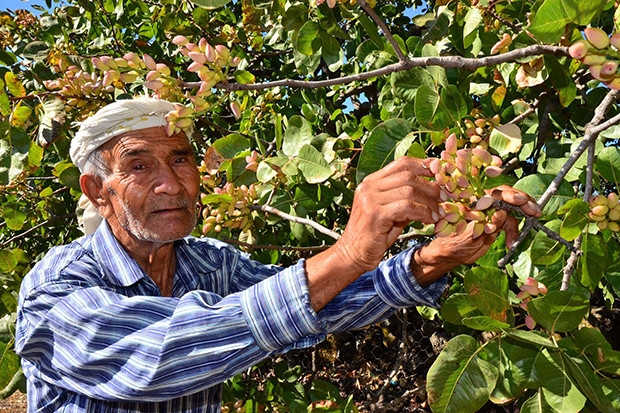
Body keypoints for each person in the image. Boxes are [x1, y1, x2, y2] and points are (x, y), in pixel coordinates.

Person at [15, 97, 541, 413]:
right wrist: (351, 250)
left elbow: (315, 306)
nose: (171, 184)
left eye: (180, 159)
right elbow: (158, 357)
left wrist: (437, 258)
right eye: (139, 166)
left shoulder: (208, 263)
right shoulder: (57, 286)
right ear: (96, 191)